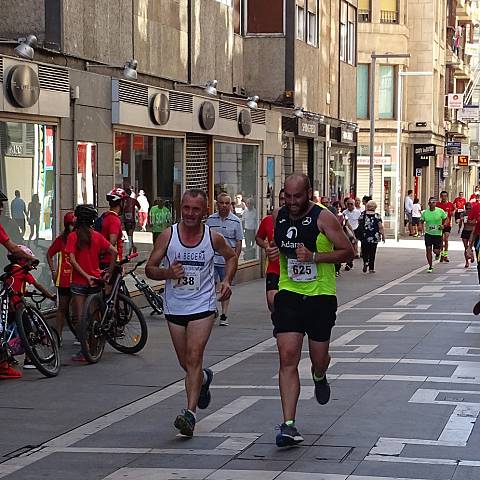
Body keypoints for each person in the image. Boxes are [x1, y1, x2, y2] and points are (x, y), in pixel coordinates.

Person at [266, 173, 353, 448]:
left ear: (309, 193)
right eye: (287, 196)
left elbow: (348, 252)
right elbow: (277, 247)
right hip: (289, 293)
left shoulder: (324, 217)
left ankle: (319, 374)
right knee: (287, 357)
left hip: (320, 297)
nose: (292, 202)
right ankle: (288, 426)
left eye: (297, 197)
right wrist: (272, 253)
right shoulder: (279, 215)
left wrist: (314, 257)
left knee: (318, 358)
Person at [145, 189, 238, 437]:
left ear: (204, 212)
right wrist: (167, 273)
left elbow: (231, 257)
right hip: (175, 306)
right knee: (185, 363)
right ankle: (204, 380)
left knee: (194, 357)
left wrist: (227, 281)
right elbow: (150, 269)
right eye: (186, 208)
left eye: (195, 209)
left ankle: (190, 413)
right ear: (180, 208)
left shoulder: (212, 238)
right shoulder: (168, 236)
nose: (190, 213)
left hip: (203, 306)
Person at [66, 204, 117, 363]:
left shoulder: (73, 236)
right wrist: (109, 271)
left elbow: (72, 260)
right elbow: (114, 252)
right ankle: (94, 347)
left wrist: (84, 275)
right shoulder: (97, 236)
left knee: (79, 319)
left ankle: (85, 350)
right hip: (95, 281)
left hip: (79, 282)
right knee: (94, 317)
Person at [6, 245, 56, 370]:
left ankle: (8, 358)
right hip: (19, 307)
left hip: (8, 307)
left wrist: (27, 292)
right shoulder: (22, 272)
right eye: (28, 260)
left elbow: (16, 288)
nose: (30, 263)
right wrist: (50, 296)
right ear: (21, 260)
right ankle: (30, 359)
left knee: (8, 333)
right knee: (28, 332)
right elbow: (37, 285)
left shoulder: (9, 272)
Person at [206, 193, 243, 326]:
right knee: (210, 287)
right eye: (221, 203)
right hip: (212, 260)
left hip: (226, 262)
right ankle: (211, 311)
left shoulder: (236, 221)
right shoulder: (210, 220)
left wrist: (235, 260)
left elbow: (238, 242)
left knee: (225, 287)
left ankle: (224, 314)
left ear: (230, 205)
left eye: (227, 203)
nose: (224, 206)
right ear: (217, 205)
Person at [47, 211, 76, 344]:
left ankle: (79, 335)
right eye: (71, 224)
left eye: (75, 224)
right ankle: (58, 336)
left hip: (77, 278)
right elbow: (49, 254)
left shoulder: (78, 238)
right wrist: (53, 271)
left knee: (77, 308)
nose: (73, 227)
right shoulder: (61, 240)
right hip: (63, 279)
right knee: (62, 308)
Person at [256, 189, 285, 312]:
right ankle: (277, 320)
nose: (284, 201)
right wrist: (266, 245)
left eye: (287, 198)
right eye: (282, 198)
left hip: (291, 271)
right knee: (271, 300)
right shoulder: (268, 220)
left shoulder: (300, 222)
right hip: (274, 267)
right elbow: (258, 238)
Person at [99, 188, 127, 268]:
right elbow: (112, 242)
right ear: (120, 203)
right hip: (110, 261)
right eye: (124, 202)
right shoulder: (114, 220)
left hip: (104, 260)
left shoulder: (106, 216)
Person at [420, 197, 447, 273]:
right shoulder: (425, 213)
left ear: (435, 203)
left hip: (437, 234)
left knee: (435, 251)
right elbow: (421, 221)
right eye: (430, 202)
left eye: (433, 202)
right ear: (428, 204)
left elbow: (446, 218)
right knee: (428, 249)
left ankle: (438, 253)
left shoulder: (440, 211)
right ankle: (430, 266)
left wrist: (443, 225)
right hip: (428, 234)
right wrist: (420, 226)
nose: (432, 204)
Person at [358, 200, 385, 273]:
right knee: (372, 252)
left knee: (364, 250)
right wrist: (383, 235)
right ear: (375, 207)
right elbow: (380, 226)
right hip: (374, 236)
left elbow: (359, 224)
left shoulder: (363, 214)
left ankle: (366, 261)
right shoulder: (377, 216)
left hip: (365, 236)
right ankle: (371, 268)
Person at [436, 191, 455, 263]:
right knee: (441, 240)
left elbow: (454, 210)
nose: (444, 197)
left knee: (446, 239)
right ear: (440, 196)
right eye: (442, 196)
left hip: (447, 225)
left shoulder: (450, 204)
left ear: (447, 196)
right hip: (439, 225)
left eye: (445, 196)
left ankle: (446, 255)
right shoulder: (437, 204)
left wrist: (452, 213)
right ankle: (442, 255)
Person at [342, 198, 361, 265]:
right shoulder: (344, 212)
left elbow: (360, 221)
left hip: (355, 229)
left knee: (354, 244)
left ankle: (352, 258)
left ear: (354, 204)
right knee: (348, 245)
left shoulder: (358, 212)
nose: (349, 205)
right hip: (347, 230)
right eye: (348, 204)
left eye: (351, 204)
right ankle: (350, 259)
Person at [123, 188, 141, 254]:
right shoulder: (133, 200)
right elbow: (139, 206)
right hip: (132, 220)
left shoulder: (123, 200)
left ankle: (129, 251)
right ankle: (133, 247)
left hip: (126, 220)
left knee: (129, 236)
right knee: (130, 235)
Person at [459, 203, 475, 268]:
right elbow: (462, 222)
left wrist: (468, 221)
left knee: (470, 246)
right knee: (466, 248)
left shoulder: (474, 214)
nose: (468, 210)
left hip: (472, 232)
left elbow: (474, 222)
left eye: (469, 208)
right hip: (465, 231)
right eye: (467, 208)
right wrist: (459, 228)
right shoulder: (463, 213)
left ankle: (472, 255)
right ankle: (466, 262)